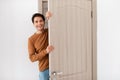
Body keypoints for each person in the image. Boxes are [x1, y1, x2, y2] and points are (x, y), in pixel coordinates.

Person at [28, 11, 54, 80]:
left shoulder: (49, 31)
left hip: (56, 66)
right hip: (44, 69)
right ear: (33, 24)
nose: (39, 23)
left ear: (44, 21)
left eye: (41, 21)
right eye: (36, 22)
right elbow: (32, 58)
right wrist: (45, 51)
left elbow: (58, 25)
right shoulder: (31, 39)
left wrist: (52, 17)